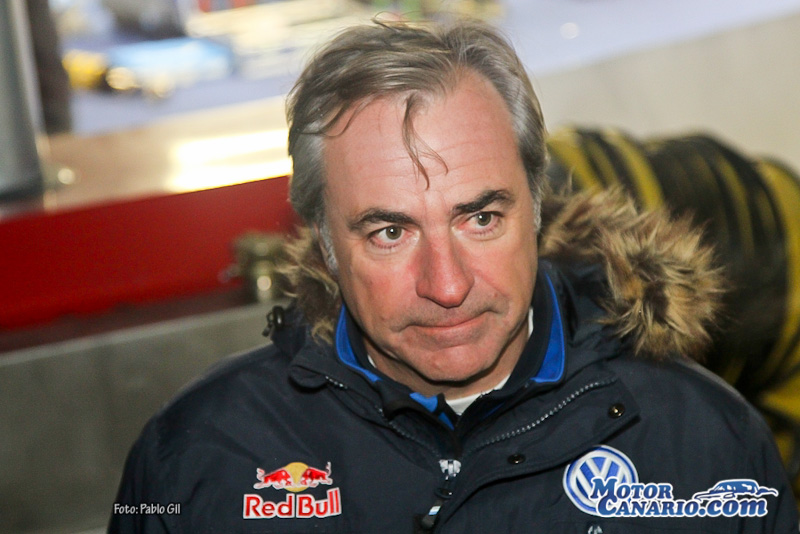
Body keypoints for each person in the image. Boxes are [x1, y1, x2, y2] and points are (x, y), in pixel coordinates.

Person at [109, 18, 799, 533]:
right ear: (324, 243)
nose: (446, 286)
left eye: (480, 219)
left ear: (536, 207)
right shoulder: (198, 458)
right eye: (390, 232)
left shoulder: (707, 444)